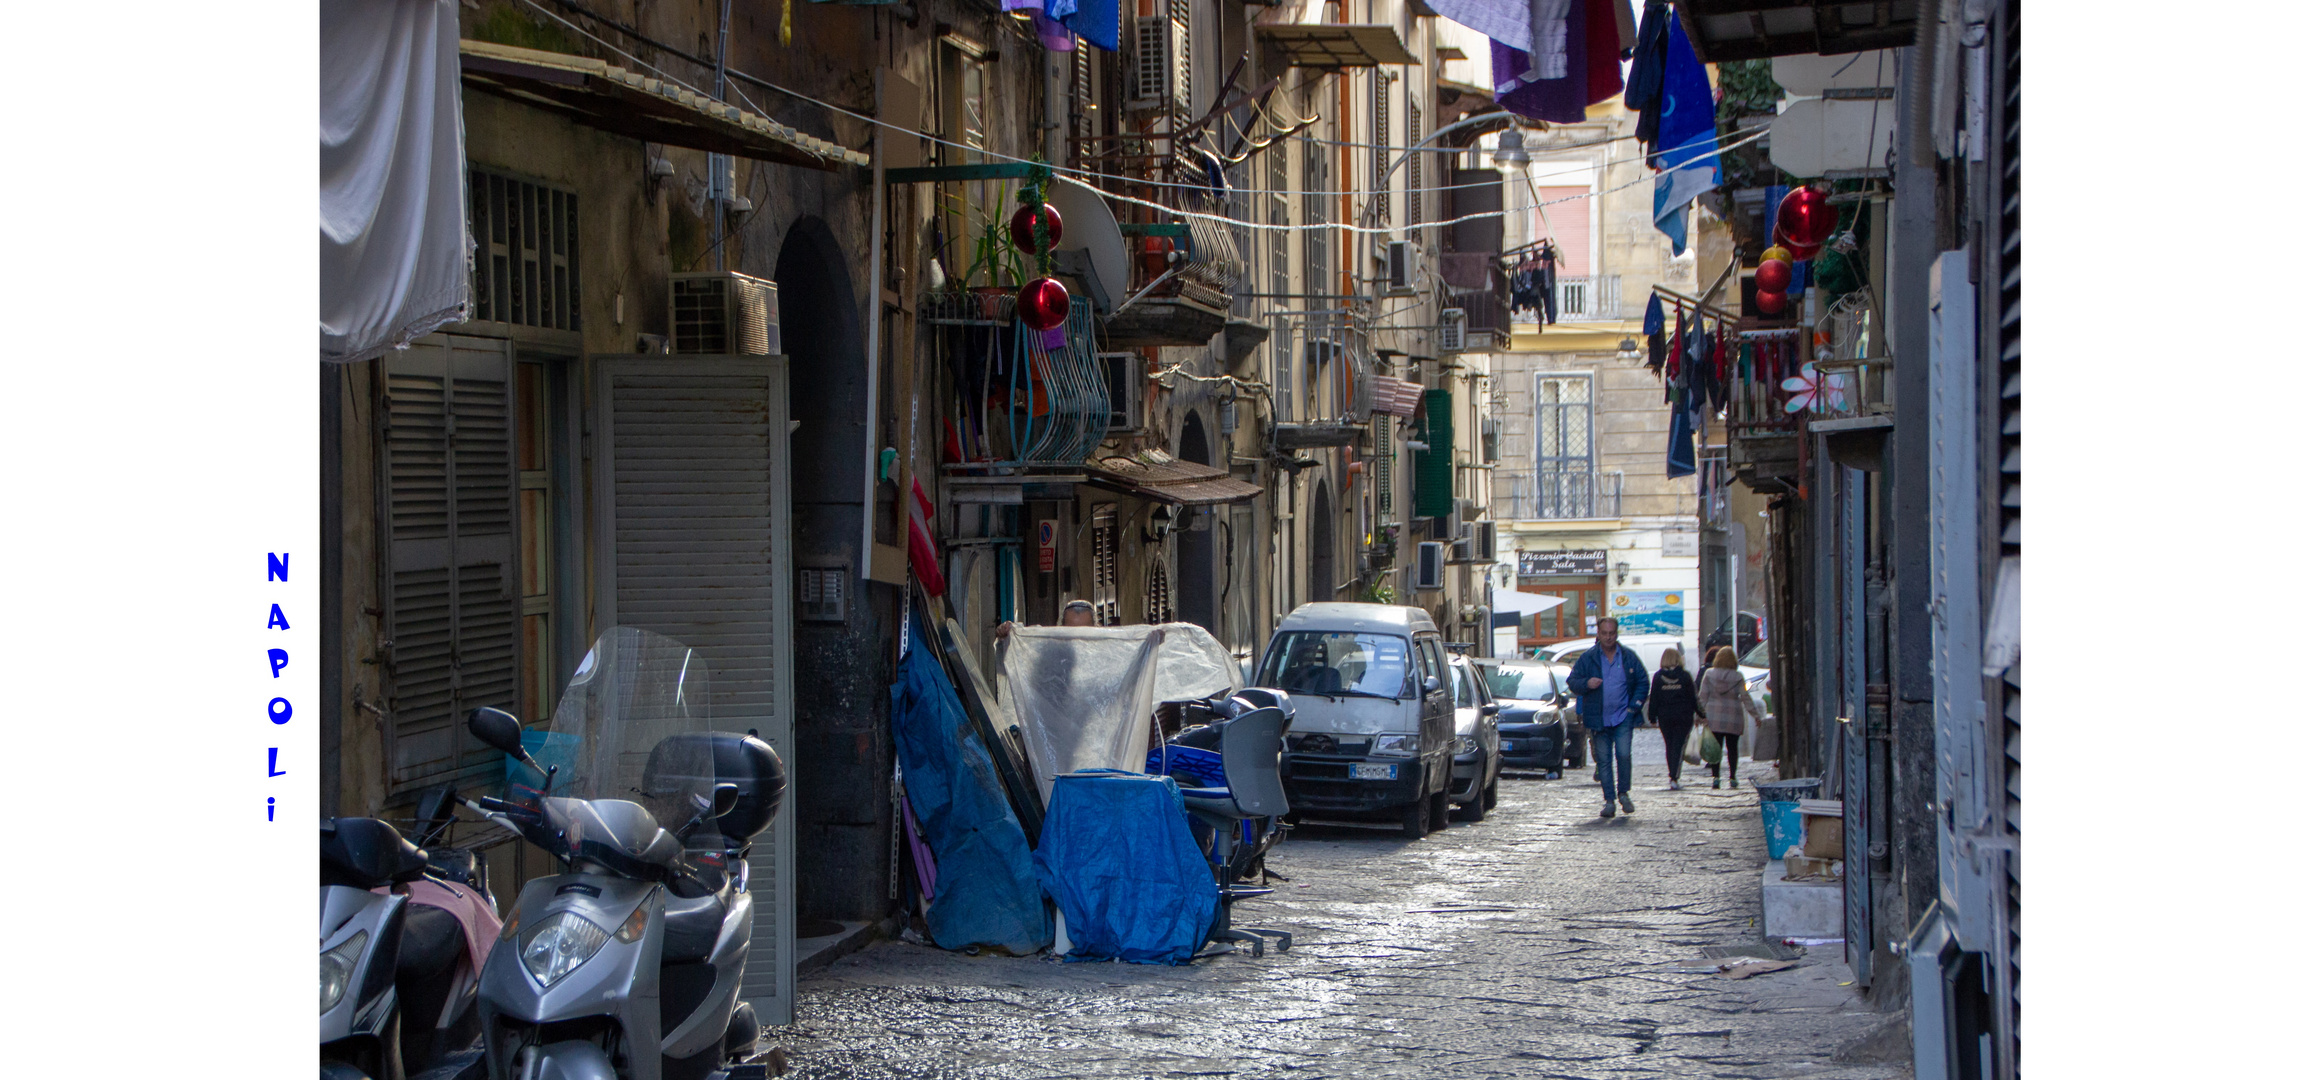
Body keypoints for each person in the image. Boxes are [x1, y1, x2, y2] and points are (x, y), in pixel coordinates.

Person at [1563, 617, 1652, 818]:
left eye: (1612, 633)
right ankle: (1609, 800)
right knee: (1603, 760)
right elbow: (1573, 681)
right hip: (1598, 718)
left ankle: (1624, 793)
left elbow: (1642, 681)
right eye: (1605, 633)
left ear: (1617, 633)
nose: (1609, 637)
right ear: (1599, 634)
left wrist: (1633, 707)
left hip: (1623, 716)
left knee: (1623, 755)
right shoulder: (1589, 658)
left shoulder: (1628, 657)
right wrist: (1587, 683)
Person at [1697, 645, 1764, 789]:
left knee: (1716, 748)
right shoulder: (1738, 676)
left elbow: (1702, 697)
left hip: (1714, 716)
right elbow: (1745, 698)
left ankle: (1716, 777)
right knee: (1733, 748)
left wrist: (1698, 716)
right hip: (1733, 717)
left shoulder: (1709, 674)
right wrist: (1756, 715)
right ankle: (1733, 777)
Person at [1645, 647, 1704, 790]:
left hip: (1665, 717)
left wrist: (1652, 717)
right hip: (1683, 716)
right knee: (1678, 745)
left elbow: (1654, 699)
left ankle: (1672, 773)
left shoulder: (1658, 677)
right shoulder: (1684, 676)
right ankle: (1674, 775)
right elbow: (1693, 698)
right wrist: (1702, 714)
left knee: (1670, 745)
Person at [996, 599, 1097, 638]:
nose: (1077, 637)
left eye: (1084, 631)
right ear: (1060, 628)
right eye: (1071, 631)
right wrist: (1009, 635)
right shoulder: (1048, 651)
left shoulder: (1104, 654)